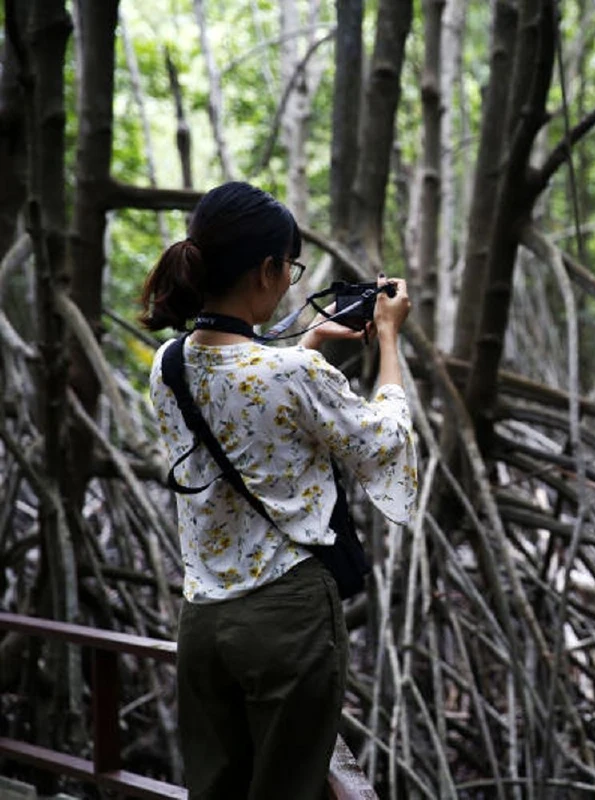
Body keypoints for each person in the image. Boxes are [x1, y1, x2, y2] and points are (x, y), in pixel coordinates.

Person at [139, 181, 418, 799]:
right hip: (286, 619)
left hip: (203, 620)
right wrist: (388, 336)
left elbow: (245, 397)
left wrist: (310, 340)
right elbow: (386, 439)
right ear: (267, 269)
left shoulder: (168, 363)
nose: (290, 280)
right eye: (290, 268)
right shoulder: (292, 372)